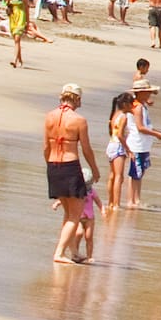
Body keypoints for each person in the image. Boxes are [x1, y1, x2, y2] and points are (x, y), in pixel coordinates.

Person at [44, 84, 98, 265]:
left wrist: (50, 167)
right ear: (76, 99)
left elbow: (46, 147)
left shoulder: (49, 116)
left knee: (68, 214)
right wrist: (95, 169)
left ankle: (73, 252)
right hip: (70, 166)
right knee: (75, 215)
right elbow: (86, 149)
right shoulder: (79, 120)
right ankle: (59, 253)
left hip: (53, 165)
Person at [123, 80, 161, 208]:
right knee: (135, 173)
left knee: (140, 172)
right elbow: (140, 127)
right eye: (148, 92)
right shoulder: (138, 107)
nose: (150, 95)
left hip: (143, 144)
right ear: (141, 93)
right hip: (137, 144)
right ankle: (131, 200)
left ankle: (137, 199)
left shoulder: (141, 105)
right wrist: (156, 134)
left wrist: (154, 132)